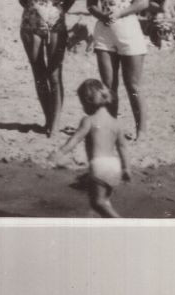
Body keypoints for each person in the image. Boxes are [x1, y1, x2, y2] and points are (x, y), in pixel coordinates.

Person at [86, 0, 151, 139]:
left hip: (129, 30)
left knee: (133, 85)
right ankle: (112, 130)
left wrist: (120, 12)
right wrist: (101, 15)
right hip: (104, 33)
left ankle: (141, 130)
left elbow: (143, 1)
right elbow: (90, 4)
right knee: (108, 86)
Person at [14, 0, 76, 136]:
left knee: (55, 74)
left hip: (56, 25)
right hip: (31, 26)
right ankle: (48, 120)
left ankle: (56, 123)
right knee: (39, 74)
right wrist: (38, 14)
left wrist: (54, 14)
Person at [52, 78, 131, 218]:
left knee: (97, 203)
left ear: (87, 102)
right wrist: (127, 168)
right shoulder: (115, 123)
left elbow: (75, 139)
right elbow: (123, 147)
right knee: (104, 201)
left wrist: (60, 152)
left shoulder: (88, 120)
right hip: (114, 167)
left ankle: (121, 224)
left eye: (82, 103)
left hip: (99, 166)